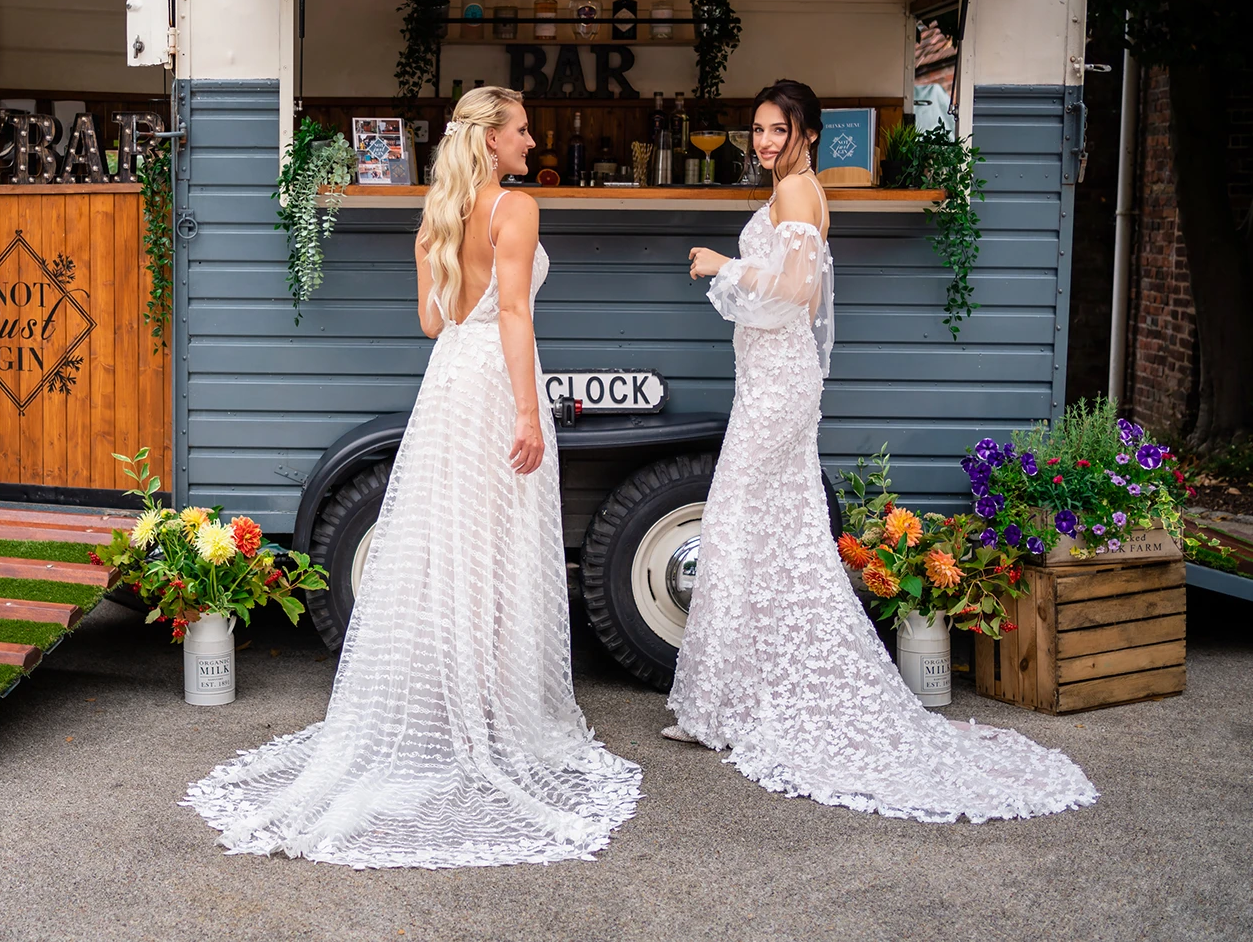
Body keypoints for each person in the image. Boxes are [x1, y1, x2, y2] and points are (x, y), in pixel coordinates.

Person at [185, 87, 641, 867]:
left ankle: (449, 706)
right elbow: (513, 318)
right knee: (497, 553)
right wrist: (529, 414)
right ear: (492, 140)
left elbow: (434, 322)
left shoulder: (437, 215)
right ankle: (493, 715)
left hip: (446, 384)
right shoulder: (513, 209)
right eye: (522, 131)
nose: (531, 143)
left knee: (447, 548)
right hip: (496, 385)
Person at [663, 79, 1098, 823]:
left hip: (779, 381)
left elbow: (797, 290)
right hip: (767, 374)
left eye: (777, 128)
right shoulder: (788, 189)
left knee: (737, 518)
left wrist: (721, 265)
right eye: (758, 129)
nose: (763, 141)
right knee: (776, 530)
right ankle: (734, 699)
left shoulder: (800, 193)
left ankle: (728, 704)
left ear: (805, 132)